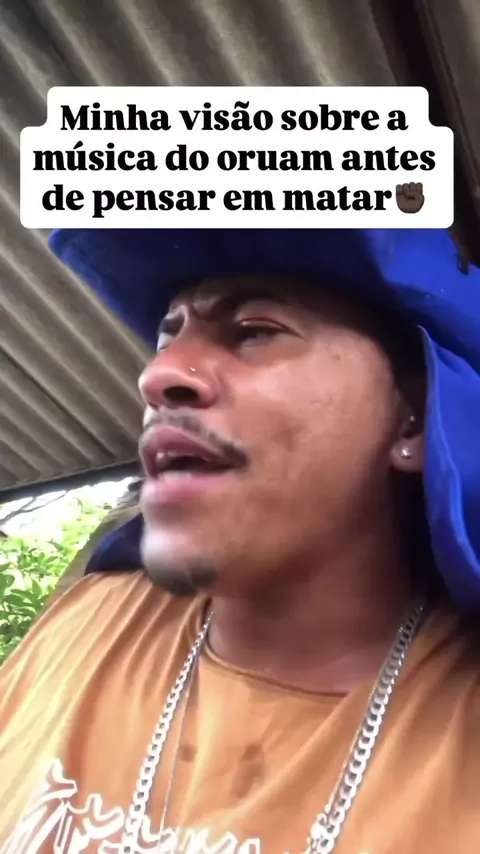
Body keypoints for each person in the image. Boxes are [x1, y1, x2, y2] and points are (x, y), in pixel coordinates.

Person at [0, 228, 479, 854]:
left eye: (254, 330)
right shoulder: (80, 623)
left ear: (412, 418)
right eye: (167, 338)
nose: (158, 375)